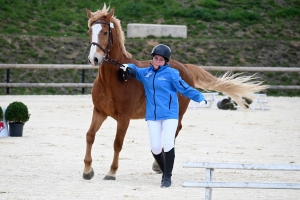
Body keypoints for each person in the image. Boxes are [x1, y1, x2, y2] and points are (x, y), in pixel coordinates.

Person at [120, 44, 207, 188]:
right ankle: (165, 170)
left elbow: (184, 88)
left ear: (166, 61)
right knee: (155, 148)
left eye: (160, 60)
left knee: (168, 144)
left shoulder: (172, 74)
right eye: (155, 58)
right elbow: (135, 68)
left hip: (169, 115)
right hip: (152, 116)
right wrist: (126, 67)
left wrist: (199, 98)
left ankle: (167, 177)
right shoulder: (146, 73)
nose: (157, 62)